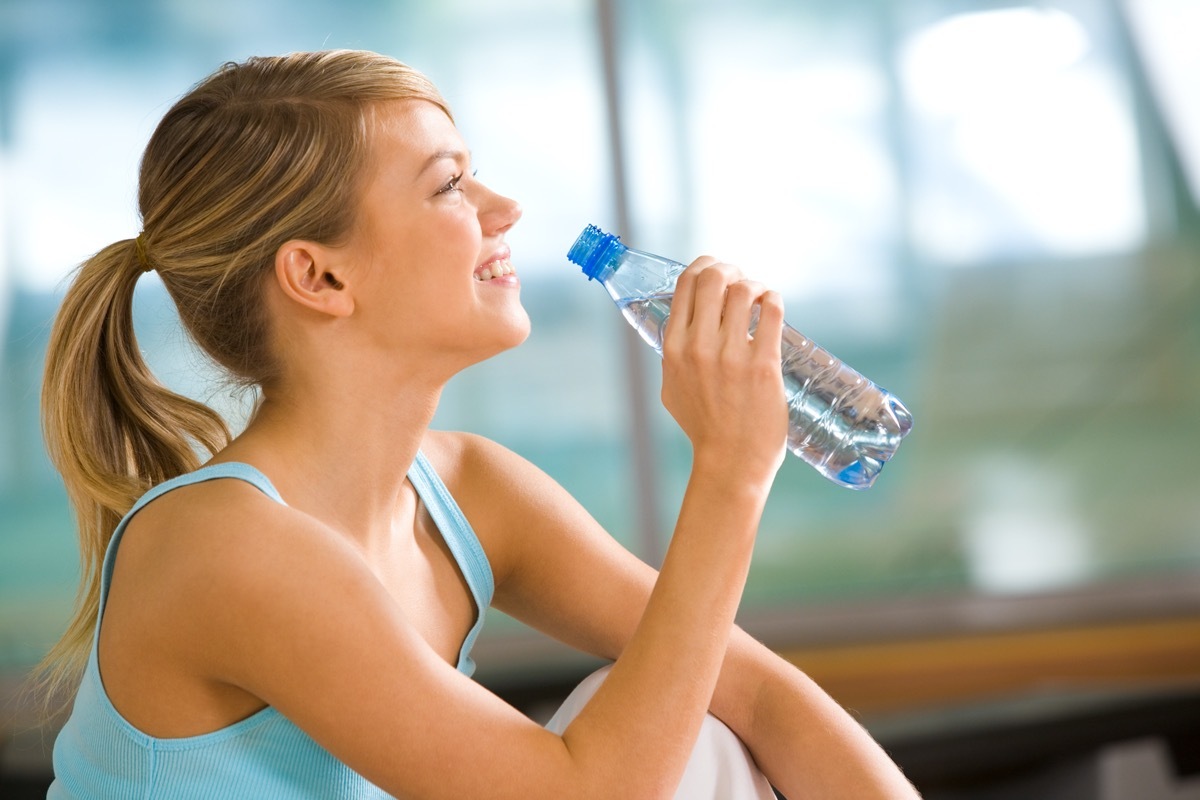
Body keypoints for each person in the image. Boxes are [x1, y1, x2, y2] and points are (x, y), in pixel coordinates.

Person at [33, 49, 919, 798]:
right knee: (660, 724)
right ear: (320, 278)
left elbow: (759, 696)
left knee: (700, 728)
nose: (504, 209)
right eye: (450, 185)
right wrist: (731, 474)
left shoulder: (469, 493)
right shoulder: (225, 547)